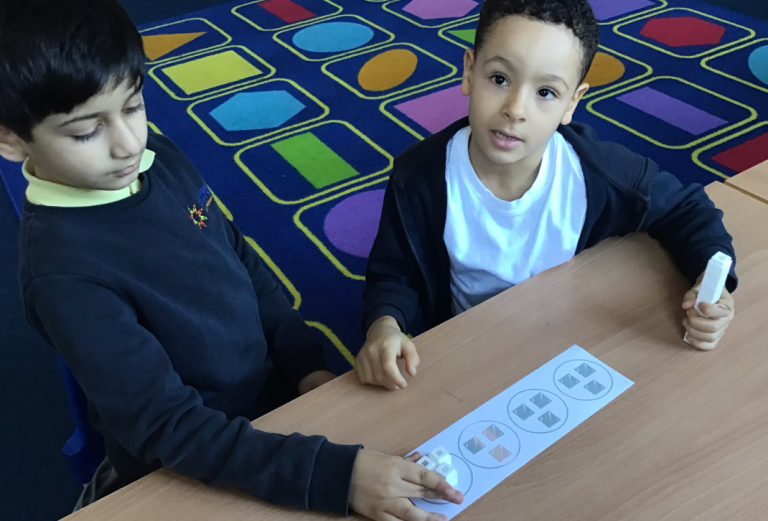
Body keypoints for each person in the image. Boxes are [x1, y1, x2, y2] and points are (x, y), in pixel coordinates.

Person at [0, 1, 462, 519]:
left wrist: (303, 364)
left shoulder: (157, 157)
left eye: (133, 105)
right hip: (189, 457)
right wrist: (335, 477)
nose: (128, 144)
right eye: (86, 131)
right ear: (10, 138)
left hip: (268, 402)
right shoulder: (63, 275)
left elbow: (239, 257)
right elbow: (168, 428)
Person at [357, 0, 737, 391]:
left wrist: (712, 283)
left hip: (569, 345)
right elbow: (394, 273)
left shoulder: (597, 173)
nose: (515, 109)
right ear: (470, 71)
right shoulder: (417, 178)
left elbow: (686, 207)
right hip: (467, 355)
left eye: (545, 92)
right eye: (500, 79)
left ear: (572, 102)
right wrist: (385, 324)